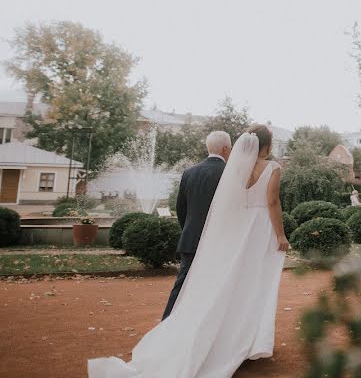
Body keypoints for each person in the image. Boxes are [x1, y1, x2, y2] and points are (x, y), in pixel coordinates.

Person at [88, 125, 291, 377]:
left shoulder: (232, 169)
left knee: (217, 287)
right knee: (253, 285)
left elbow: (201, 208)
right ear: (268, 145)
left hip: (228, 236)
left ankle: (191, 329)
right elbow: (272, 201)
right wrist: (280, 235)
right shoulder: (272, 168)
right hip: (258, 232)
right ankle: (248, 340)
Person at [161, 131, 232, 320]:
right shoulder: (231, 174)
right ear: (226, 149)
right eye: (230, 148)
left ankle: (167, 323)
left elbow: (181, 208)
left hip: (191, 238)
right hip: (221, 242)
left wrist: (189, 230)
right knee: (219, 286)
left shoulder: (189, 172)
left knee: (182, 284)